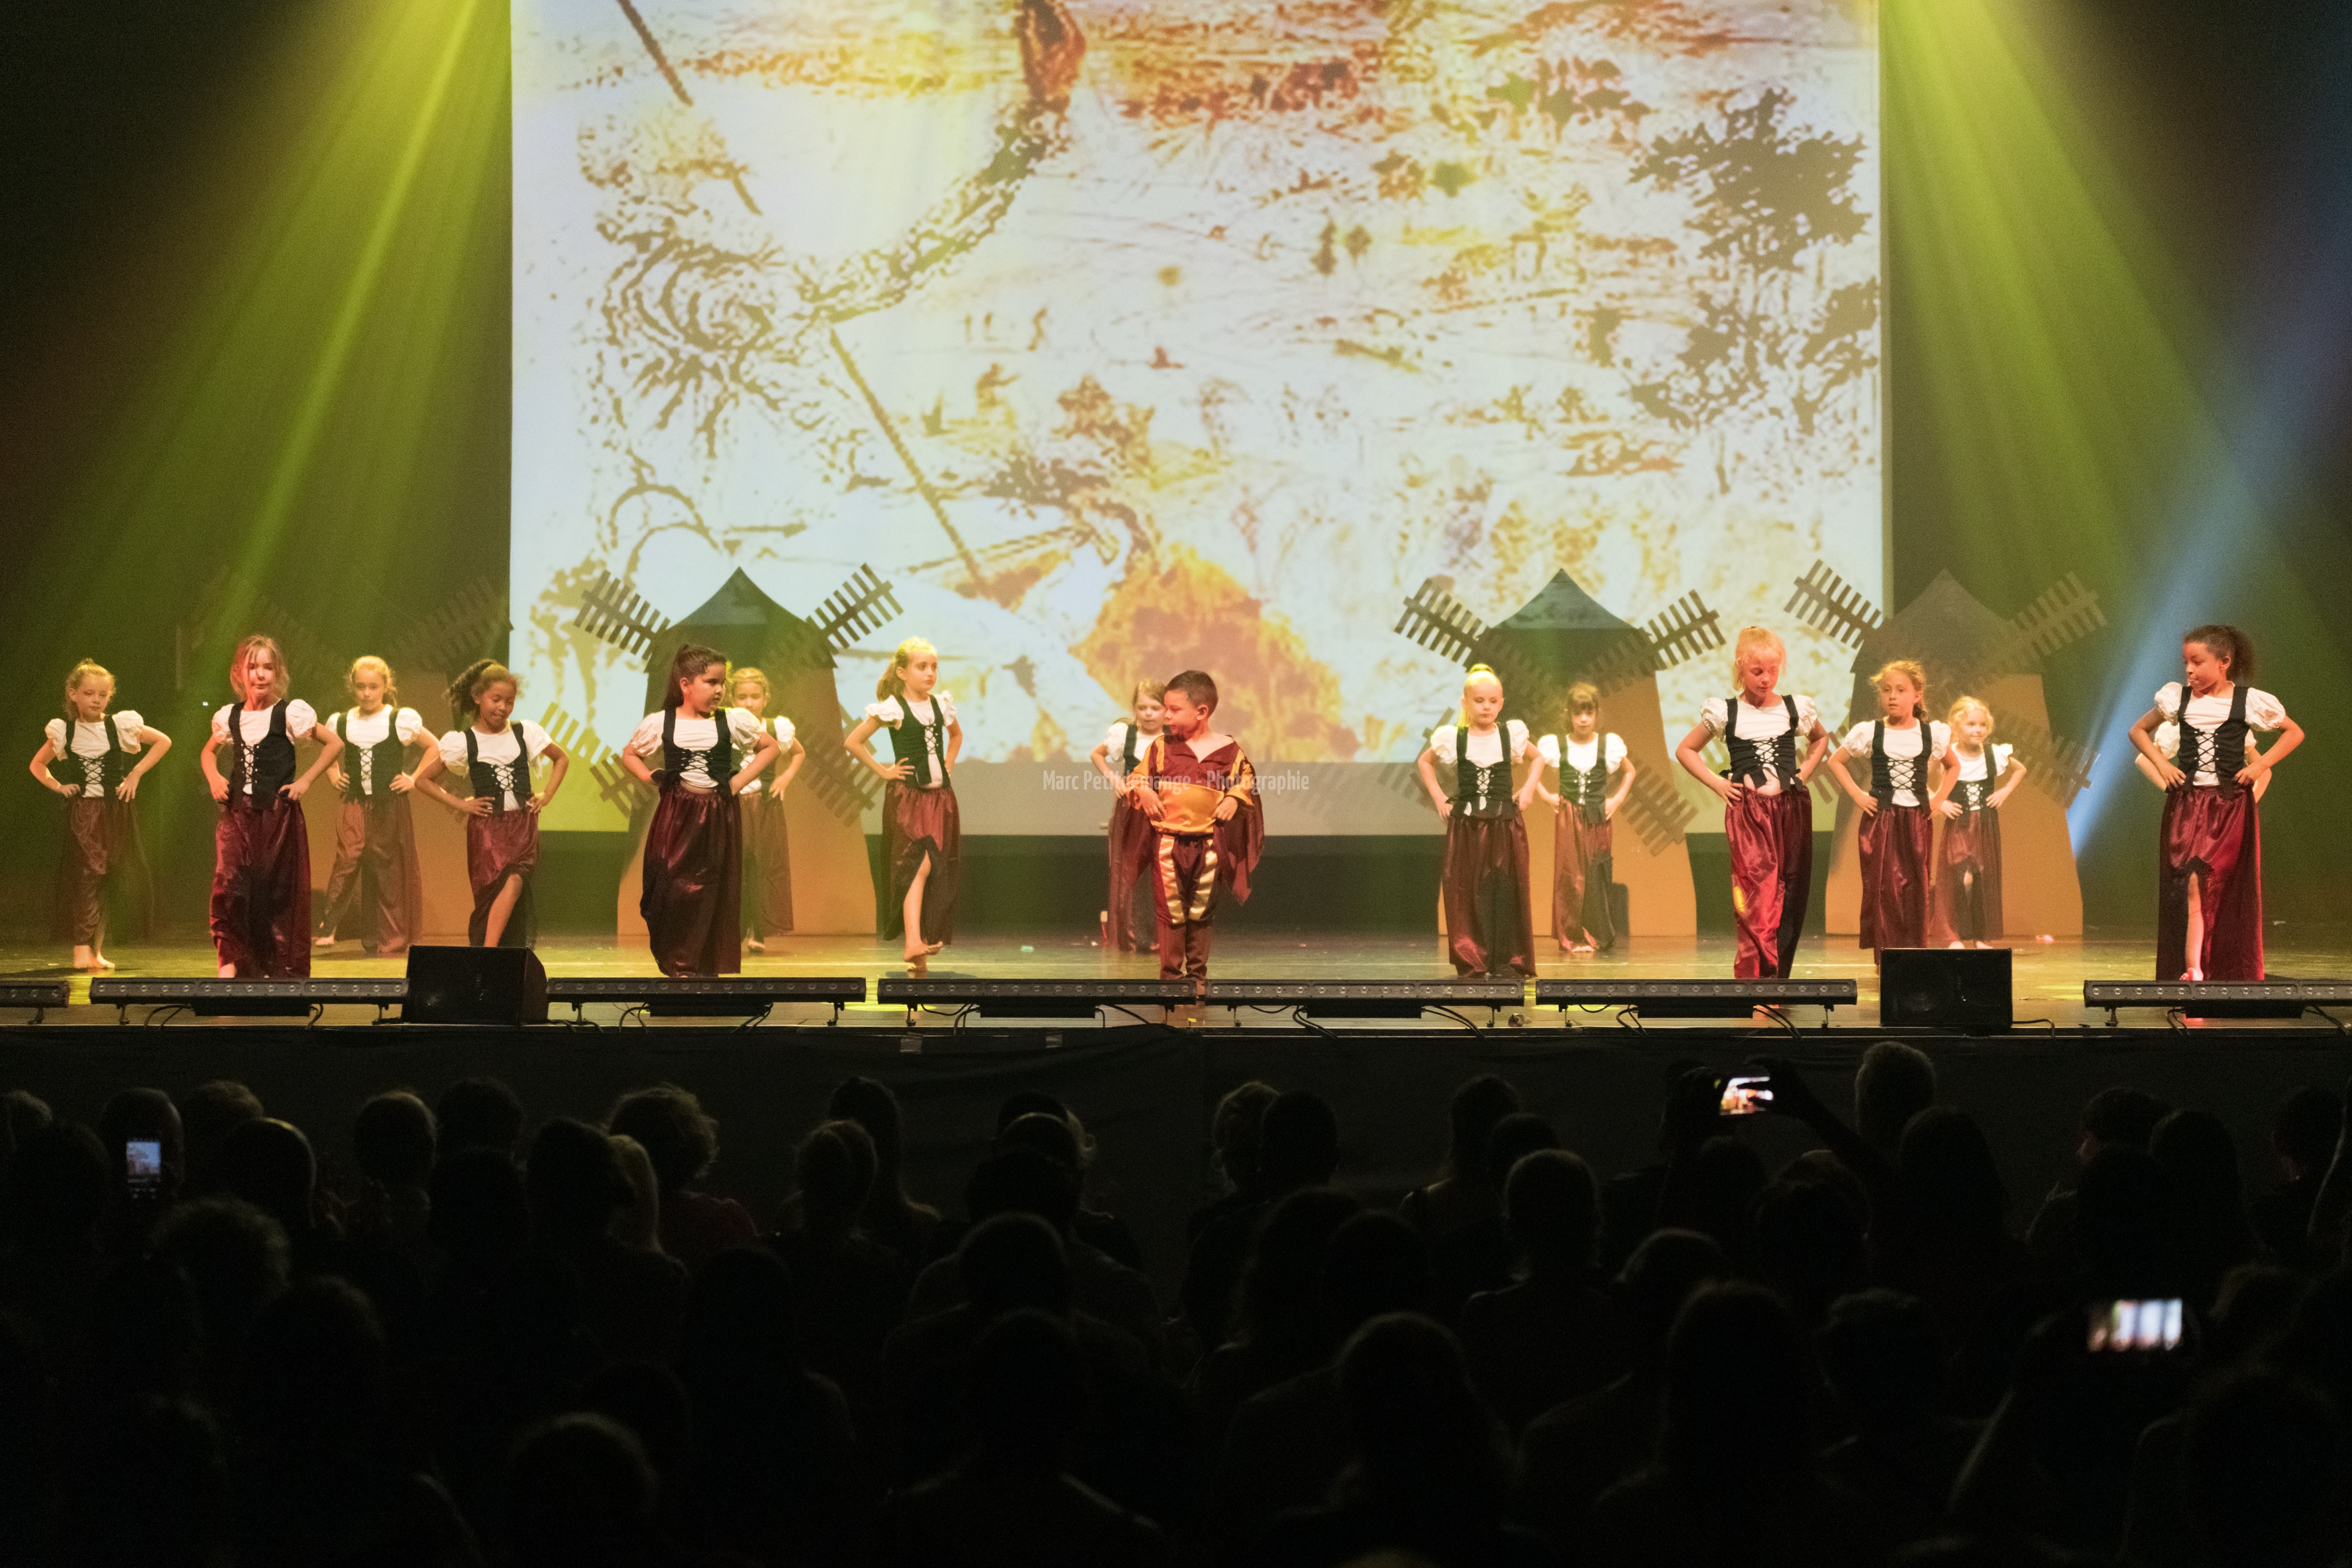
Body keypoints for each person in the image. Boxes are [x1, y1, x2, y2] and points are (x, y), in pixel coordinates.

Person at [2128, 623, 2302, 980]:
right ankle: (2194, 967)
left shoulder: (2247, 701)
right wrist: (2163, 765)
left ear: (2224, 662)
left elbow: (2293, 732)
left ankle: (2210, 966)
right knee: (2191, 882)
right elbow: (2137, 731)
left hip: (2229, 807)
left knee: (2214, 885)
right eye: (2186, 663)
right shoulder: (2178, 699)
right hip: (2187, 806)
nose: (2189, 670)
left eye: (2197, 662)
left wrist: (2260, 766)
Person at [1675, 625, 1833, 978]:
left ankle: (1777, 978)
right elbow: (1686, 750)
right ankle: (1754, 979)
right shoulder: (1727, 711)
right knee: (1756, 892)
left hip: (1791, 809)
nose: (1766, 679)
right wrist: (1718, 783)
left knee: (1791, 891)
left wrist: (1804, 773)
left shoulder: (1793, 708)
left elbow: (1820, 739)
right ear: (1740, 668)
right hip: (1750, 813)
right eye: (1757, 671)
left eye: (1773, 671)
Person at [619, 644, 778, 977]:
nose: (720, 690)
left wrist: (737, 782)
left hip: (718, 815)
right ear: (686, 684)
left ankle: (700, 966)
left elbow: (770, 747)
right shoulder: (662, 722)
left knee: (711, 887)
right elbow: (630, 754)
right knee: (669, 883)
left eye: (722, 683)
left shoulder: (731, 721)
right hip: (677, 814)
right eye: (711, 682)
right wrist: (649, 776)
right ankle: (677, 960)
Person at [199, 635, 343, 978]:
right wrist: (214, 777)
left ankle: (275, 967)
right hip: (237, 814)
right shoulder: (230, 716)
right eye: (253, 667)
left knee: (274, 890)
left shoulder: (290, 713)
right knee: (230, 884)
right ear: (240, 672)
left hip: (277, 816)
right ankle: (230, 962)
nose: (260, 674)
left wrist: (306, 780)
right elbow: (207, 753)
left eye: (268, 667)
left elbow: (335, 743)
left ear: (278, 672)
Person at [409, 659, 568, 949]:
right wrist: (461, 804)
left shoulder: (524, 732)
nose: (503, 707)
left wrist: (547, 794)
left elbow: (561, 758)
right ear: (478, 697)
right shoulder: (464, 742)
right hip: (487, 831)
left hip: (521, 826)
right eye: (496, 699)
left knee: (515, 880)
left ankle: (489, 951)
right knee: (490, 895)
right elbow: (423, 781)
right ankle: (491, 951)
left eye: (510, 701)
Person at [1126, 669, 1263, 989]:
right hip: (1168, 843)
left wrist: (1234, 797)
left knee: (1201, 911)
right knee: (1171, 912)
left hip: (1209, 845)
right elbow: (1137, 777)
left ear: (1201, 712)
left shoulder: (1229, 751)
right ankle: (1171, 981)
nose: (1166, 716)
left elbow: (1247, 779)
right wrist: (1144, 790)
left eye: (1174, 710)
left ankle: (1197, 978)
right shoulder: (1161, 747)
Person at [28, 658, 167, 970]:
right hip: (85, 813)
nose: (96, 700)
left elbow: (163, 741)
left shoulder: (118, 726)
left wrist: (135, 774)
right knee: (89, 875)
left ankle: (96, 951)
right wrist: (58, 786)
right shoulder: (66, 731)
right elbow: (37, 764)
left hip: (116, 810)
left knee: (111, 877)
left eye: (103, 695)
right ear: (74, 694)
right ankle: (80, 949)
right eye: (89, 693)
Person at [1825, 659, 1956, 959]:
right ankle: (1886, 956)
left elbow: (1954, 766)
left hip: (1916, 820)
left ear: (1917, 695)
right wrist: (1858, 795)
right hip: (1882, 819)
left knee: (1916, 887)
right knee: (1885, 888)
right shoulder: (1871, 731)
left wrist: (1938, 800)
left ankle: (1913, 955)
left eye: (1900, 690)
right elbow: (1836, 761)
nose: (1892, 696)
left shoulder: (1930, 734)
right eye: (1886, 690)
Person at [1415, 664, 1539, 978]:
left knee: (1505, 888)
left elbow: (1538, 758)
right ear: (1465, 703)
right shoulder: (1454, 738)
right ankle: (1473, 959)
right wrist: (1439, 797)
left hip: (1504, 824)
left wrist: (1528, 789)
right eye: (1479, 701)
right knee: (1468, 890)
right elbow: (1425, 762)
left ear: (1501, 703)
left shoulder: (1510, 735)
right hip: (1468, 827)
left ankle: (1506, 959)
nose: (1486, 707)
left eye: (1493, 701)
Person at [845, 638, 961, 970]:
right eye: (922, 667)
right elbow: (853, 741)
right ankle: (912, 941)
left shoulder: (940, 705)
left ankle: (919, 951)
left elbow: (956, 736)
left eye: (934, 667)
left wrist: (947, 764)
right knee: (917, 865)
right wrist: (884, 771)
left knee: (935, 867)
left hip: (940, 798)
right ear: (902, 672)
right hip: (909, 798)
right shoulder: (894, 708)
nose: (930, 673)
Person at [313, 656, 431, 955]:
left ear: (385, 687)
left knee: (387, 865)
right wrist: (333, 775)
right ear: (352, 687)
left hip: (388, 802)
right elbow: (328, 750)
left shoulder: (399, 718)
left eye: (373, 687)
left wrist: (414, 778)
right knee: (348, 857)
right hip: (354, 800)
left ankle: (387, 937)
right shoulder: (341, 721)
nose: (366, 693)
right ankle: (329, 925)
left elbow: (435, 747)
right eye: (361, 687)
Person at [1532, 680, 1632, 955]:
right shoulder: (1557, 745)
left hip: (1597, 817)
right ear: (1569, 715)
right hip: (1569, 817)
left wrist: (1617, 799)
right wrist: (1545, 795)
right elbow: (1534, 769)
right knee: (1570, 876)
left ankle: (1598, 934)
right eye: (1578, 713)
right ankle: (1572, 936)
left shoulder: (1607, 745)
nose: (1584, 719)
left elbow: (1630, 771)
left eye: (1589, 713)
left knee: (1596, 875)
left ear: (1597, 713)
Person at [1930, 696, 2022, 949]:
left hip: (1984, 823)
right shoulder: (1947, 753)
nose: (1977, 729)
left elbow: (2020, 770)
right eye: (1971, 724)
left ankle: (1981, 936)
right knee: (1961, 876)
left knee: (1982, 878)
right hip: (1959, 824)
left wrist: (2005, 791)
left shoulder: (1994, 753)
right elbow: (1921, 778)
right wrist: (1939, 802)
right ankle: (1954, 935)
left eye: (1982, 725)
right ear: (1956, 725)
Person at [727, 665, 803, 954]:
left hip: (765, 805)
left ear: (765, 698)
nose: (749, 703)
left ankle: (758, 929)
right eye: (742, 697)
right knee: (735, 865)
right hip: (734, 805)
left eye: (755, 697)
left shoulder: (776, 728)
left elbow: (799, 753)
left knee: (763, 865)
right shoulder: (726, 726)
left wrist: (785, 778)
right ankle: (734, 928)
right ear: (732, 698)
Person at [1089, 680, 1165, 953]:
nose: (1148, 713)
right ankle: (1132, 937)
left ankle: (1161, 937)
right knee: (1132, 872)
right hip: (1133, 811)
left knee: (1162, 871)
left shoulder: (1174, 736)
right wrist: (1114, 780)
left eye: (1155, 708)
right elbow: (1097, 754)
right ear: (1134, 708)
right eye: (1142, 708)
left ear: (1166, 709)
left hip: (1165, 808)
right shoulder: (1126, 734)